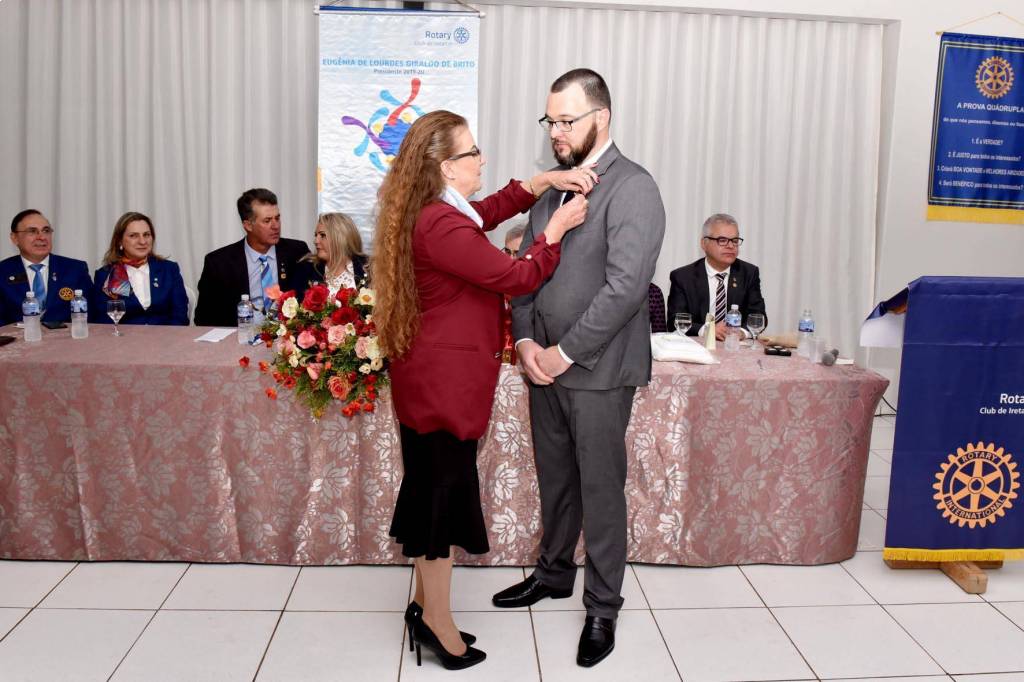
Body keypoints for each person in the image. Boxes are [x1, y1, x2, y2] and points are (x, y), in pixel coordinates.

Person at [373, 109, 593, 671]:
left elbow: (488, 210)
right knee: (439, 508)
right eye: (473, 152)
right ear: (447, 167)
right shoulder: (441, 224)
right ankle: (437, 624)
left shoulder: (437, 210)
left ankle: (424, 608)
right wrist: (554, 232)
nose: (482, 158)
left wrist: (541, 182)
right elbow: (516, 276)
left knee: (431, 497)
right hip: (442, 389)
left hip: (429, 382)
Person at [492, 68, 666, 669]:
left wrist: (563, 352)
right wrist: (525, 342)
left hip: (598, 369)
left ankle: (603, 607)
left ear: (602, 117)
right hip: (542, 366)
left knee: (600, 489)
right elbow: (524, 273)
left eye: (567, 121)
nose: (556, 132)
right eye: (551, 121)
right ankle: (553, 573)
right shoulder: (551, 189)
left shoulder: (634, 187)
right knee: (556, 479)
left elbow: (625, 289)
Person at [193, 188, 310, 326]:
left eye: (277, 218)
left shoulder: (297, 252)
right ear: (248, 225)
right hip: (241, 334)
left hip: (287, 334)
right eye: (267, 221)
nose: (276, 226)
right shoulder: (218, 263)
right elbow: (204, 318)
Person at [667, 213, 766, 340]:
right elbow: (674, 321)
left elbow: (758, 317)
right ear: (704, 243)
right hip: (698, 346)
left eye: (735, 241)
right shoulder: (683, 277)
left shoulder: (749, 273)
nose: (730, 246)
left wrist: (741, 332)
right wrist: (707, 330)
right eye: (722, 240)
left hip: (735, 345)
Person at [89, 212, 189, 326]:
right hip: (124, 336)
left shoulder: (169, 270)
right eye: (133, 236)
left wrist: (166, 336)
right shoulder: (107, 274)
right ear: (119, 241)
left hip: (167, 335)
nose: (142, 241)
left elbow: (180, 316)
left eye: (146, 235)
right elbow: (102, 321)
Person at [1, 209, 92, 327]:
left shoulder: (75, 269)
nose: (41, 237)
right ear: (14, 238)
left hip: (66, 337)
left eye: (46, 231)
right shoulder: (3, 271)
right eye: (32, 231)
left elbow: (91, 316)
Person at [297, 212, 368, 295]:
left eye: (322, 235)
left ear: (340, 238)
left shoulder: (369, 267)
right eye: (316, 235)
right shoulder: (306, 269)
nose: (315, 241)